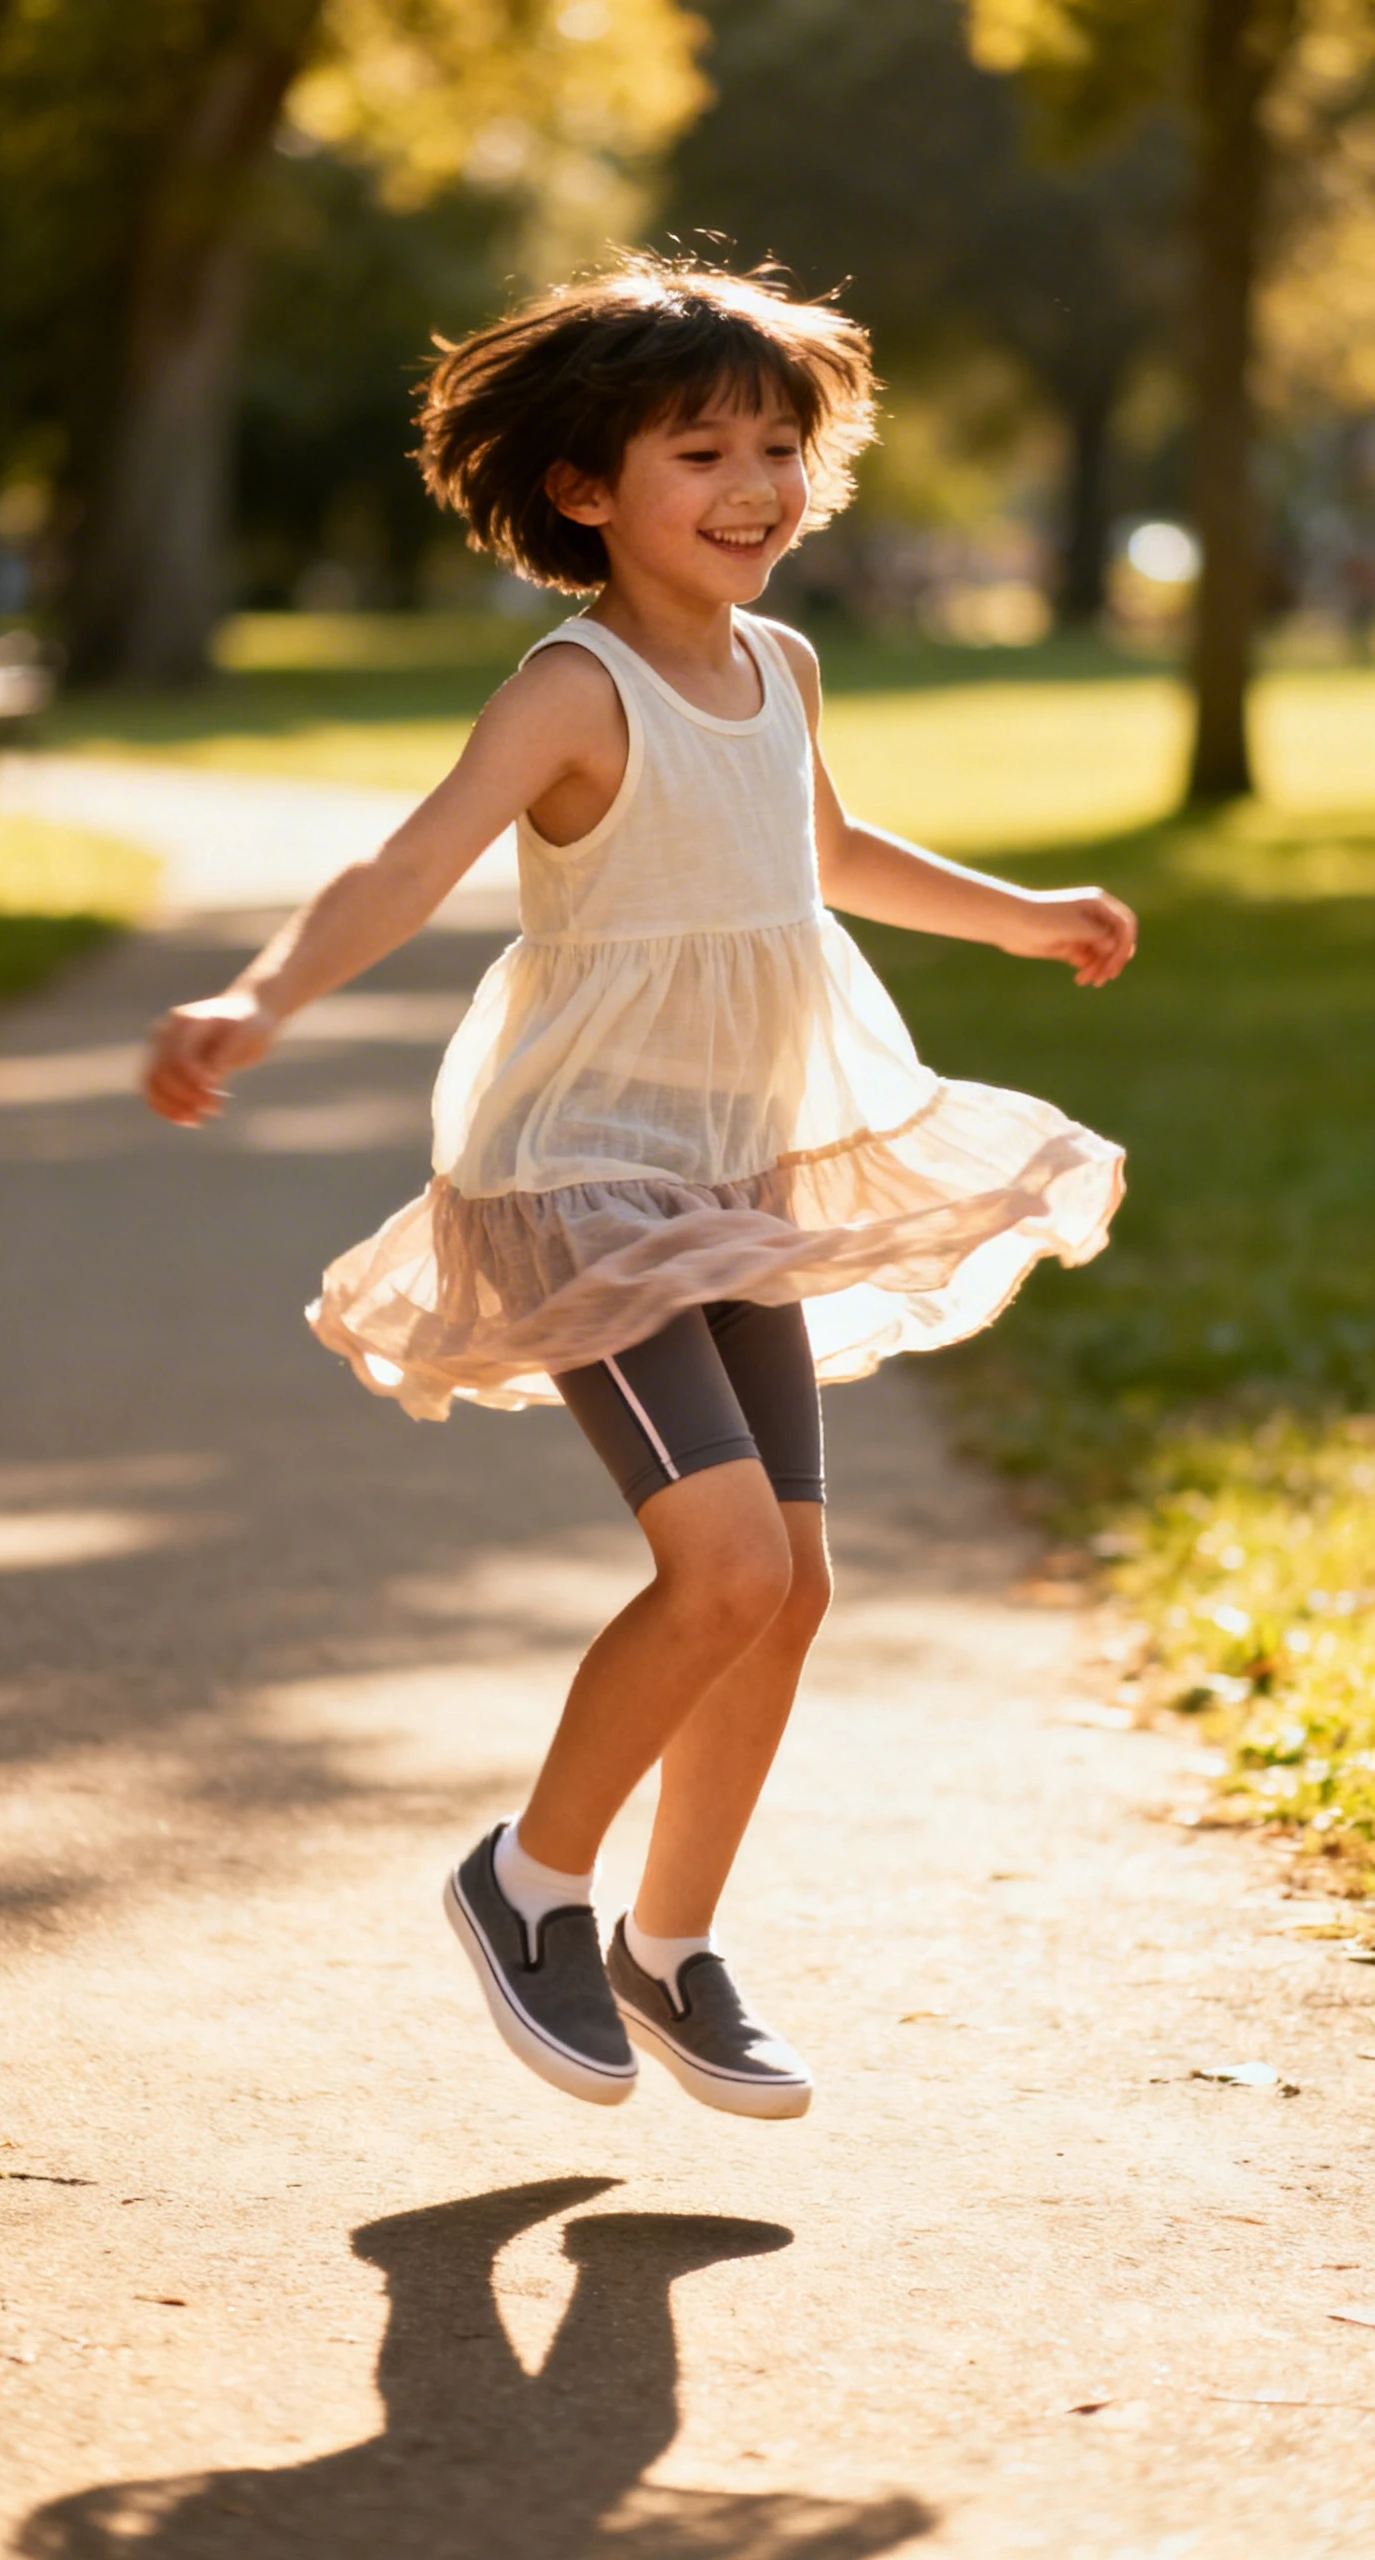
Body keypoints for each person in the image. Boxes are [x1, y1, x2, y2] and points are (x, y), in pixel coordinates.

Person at [144, 256, 1135, 2123]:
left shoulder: (783, 667)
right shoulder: (572, 689)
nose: (757, 482)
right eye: (705, 448)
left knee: (798, 1585)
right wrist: (260, 994)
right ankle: (526, 1882)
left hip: (733, 1176)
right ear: (588, 490)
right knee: (727, 1561)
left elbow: (828, 849)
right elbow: (405, 861)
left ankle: (670, 1951)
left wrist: (1024, 917)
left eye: (782, 444)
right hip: (578, 1182)